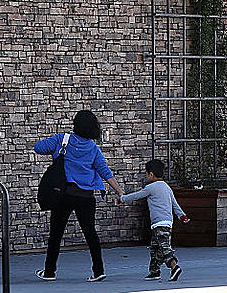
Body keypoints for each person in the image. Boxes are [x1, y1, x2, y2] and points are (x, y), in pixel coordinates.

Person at [34, 110, 124, 282]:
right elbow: (105, 171)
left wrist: (56, 147)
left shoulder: (63, 139)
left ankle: (49, 272)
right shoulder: (93, 148)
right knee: (91, 234)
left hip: (64, 195)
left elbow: (39, 147)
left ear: (76, 125)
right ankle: (99, 271)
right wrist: (119, 191)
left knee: (56, 234)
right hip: (86, 197)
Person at [120, 159, 190, 282]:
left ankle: (174, 266)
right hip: (167, 222)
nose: (146, 176)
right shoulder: (167, 188)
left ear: (151, 174)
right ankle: (154, 271)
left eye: (146, 174)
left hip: (159, 223)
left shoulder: (151, 187)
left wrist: (122, 198)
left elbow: (136, 195)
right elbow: (175, 204)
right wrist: (182, 216)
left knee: (164, 248)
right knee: (155, 248)